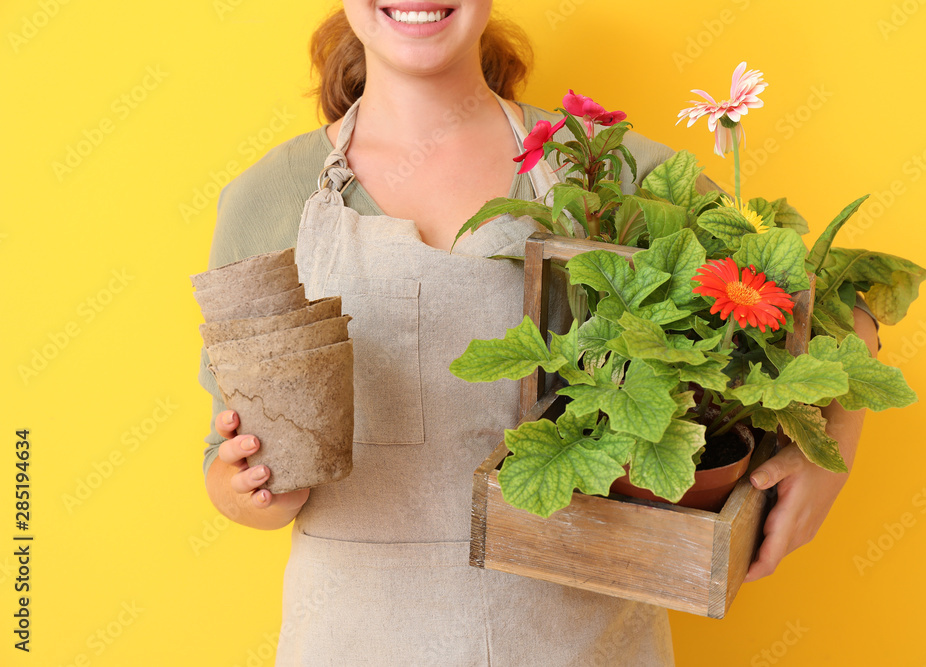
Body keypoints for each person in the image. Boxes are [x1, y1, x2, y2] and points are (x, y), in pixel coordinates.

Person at [198, 1, 879, 664]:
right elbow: (226, 459)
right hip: (357, 639)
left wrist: (828, 452)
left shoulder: (606, 168)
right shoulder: (266, 200)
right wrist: (245, 488)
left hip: (586, 641)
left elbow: (824, 304)